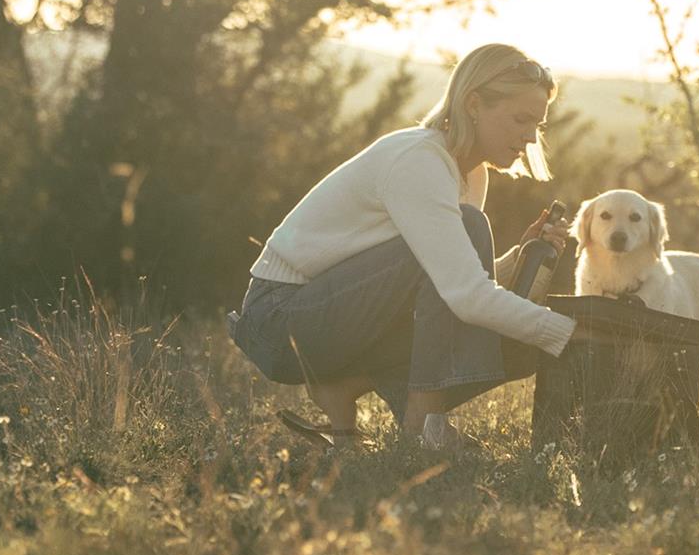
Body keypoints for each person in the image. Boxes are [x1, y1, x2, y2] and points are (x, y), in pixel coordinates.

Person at [229, 44, 577, 452]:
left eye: (538, 125)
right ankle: (423, 429)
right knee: (472, 233)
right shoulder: (420, 161)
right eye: (521, 119)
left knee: (518, 347)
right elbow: (464, 295)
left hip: (337, 316)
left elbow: (448, 285)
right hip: (279, 320)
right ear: (474, 104)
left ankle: (344, 388)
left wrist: (519, 256)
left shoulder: (471, 174)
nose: (531, 137)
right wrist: (568, 334)